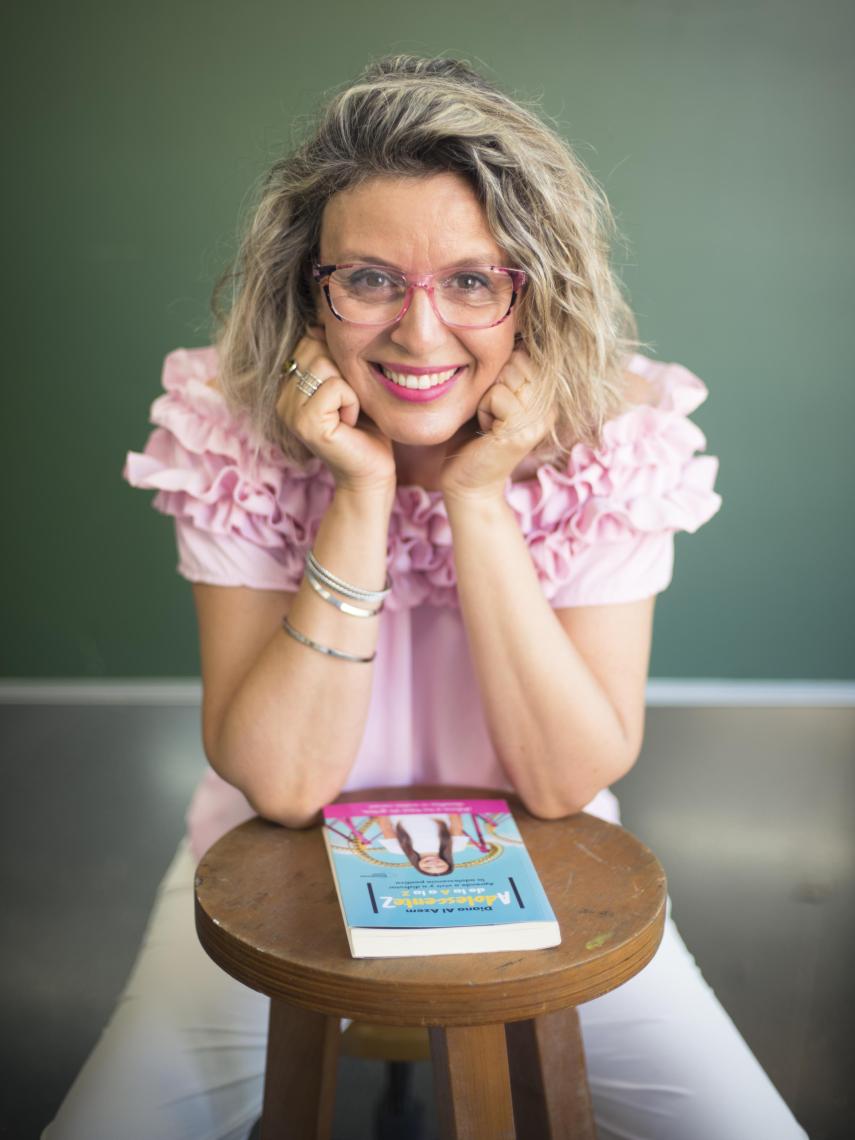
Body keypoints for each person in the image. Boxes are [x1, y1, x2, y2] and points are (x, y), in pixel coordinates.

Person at [46, 55, 807, 1140]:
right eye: (369, 279)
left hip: (554, 874)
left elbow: (563, 777)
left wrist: (478, 495)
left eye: (471, 280)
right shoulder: (228, 426)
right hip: (268, 874)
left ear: (533, 289)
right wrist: (359, 491)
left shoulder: (619, 438)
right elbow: (283, 782)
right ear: (308, 288)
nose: (418, 332)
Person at [376, 812, 469, 874]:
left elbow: (386, 827)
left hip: (400, 809)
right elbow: (456, 823)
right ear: (448, 862)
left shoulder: (397, 850)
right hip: (436, 807)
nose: (433, 864)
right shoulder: (457, 847)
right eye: (440, 865)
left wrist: (384, 807)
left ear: (418, 866)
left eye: (427, 868)